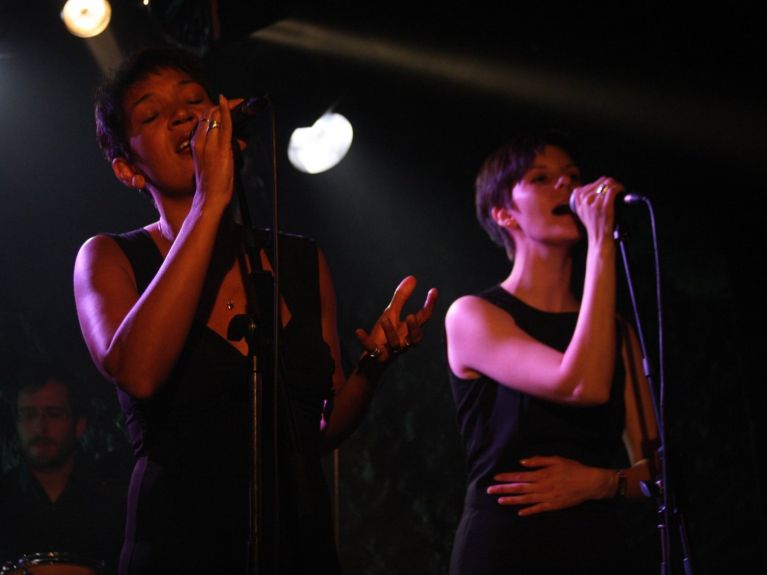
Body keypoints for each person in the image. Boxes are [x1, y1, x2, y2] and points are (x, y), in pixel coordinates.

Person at [73, 47, 437, 575]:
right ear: (128, 170)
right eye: (152, 115)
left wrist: (374, 365)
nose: (181, 114)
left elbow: (317, 431)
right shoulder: (109, 257)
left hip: (297, 547)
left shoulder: (301, 260)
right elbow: (139, 371)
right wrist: (208, 203)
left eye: (194, 99)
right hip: (180, 551)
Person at [445, 134, 658, 574]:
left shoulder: (615, 332)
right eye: (541, 178)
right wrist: (601, 243)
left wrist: (603, 483)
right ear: (504, 213)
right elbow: (580, 384)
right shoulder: (472, 315)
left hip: (596, 550)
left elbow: (660, 471)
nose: (566, 184)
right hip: (506, 551)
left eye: (572, 176)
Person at [0, 363, 128, 574]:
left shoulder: (113, 501)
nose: (40, 427)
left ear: (79, 425)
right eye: (29, 414)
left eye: (54, 414)